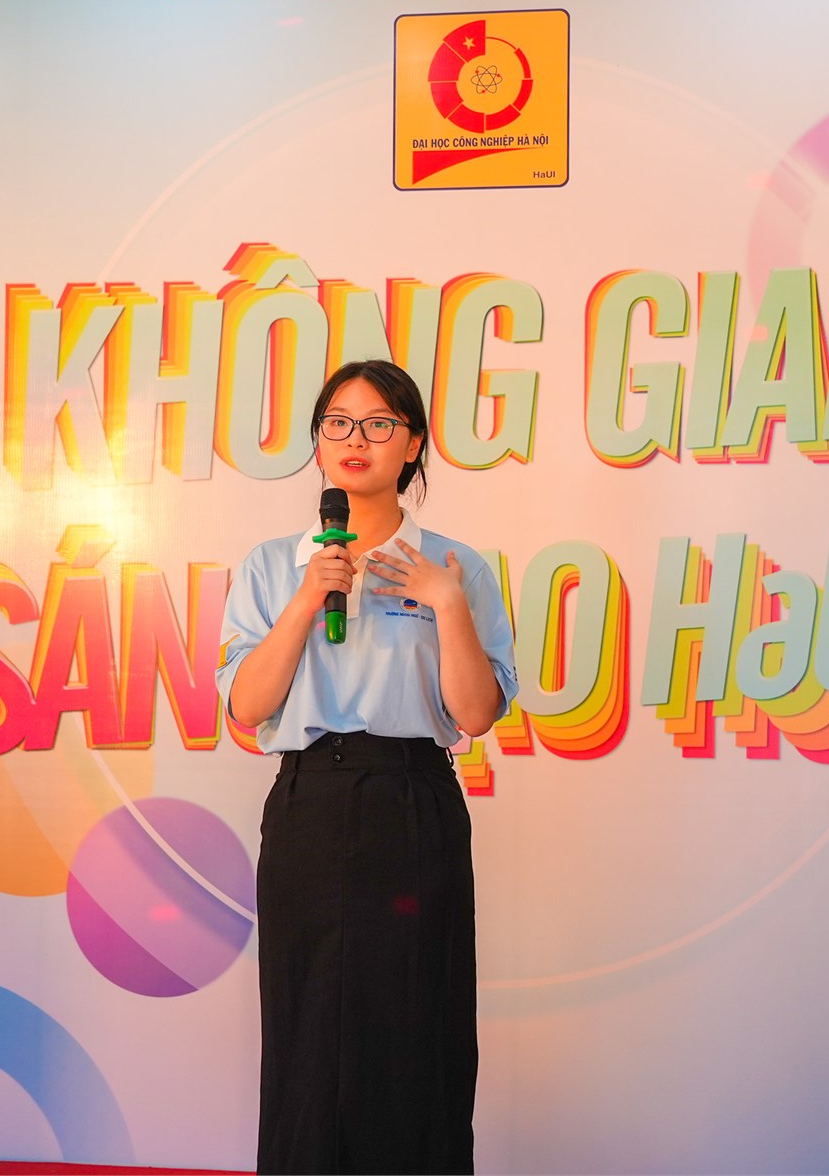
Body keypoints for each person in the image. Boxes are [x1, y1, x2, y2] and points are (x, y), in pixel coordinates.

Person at [218, 358, 518, 1175]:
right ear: (319, 442)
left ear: (412, 443)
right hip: (309, 802)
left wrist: (445, 603)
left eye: (380, 423)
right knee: (309, 1026)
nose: (357, 439)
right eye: (338, 423)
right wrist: (307, 597)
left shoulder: (456, 566)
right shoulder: (274, 564)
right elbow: (246, 705)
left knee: (415, 1022)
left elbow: (476, 715)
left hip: (412, 800)